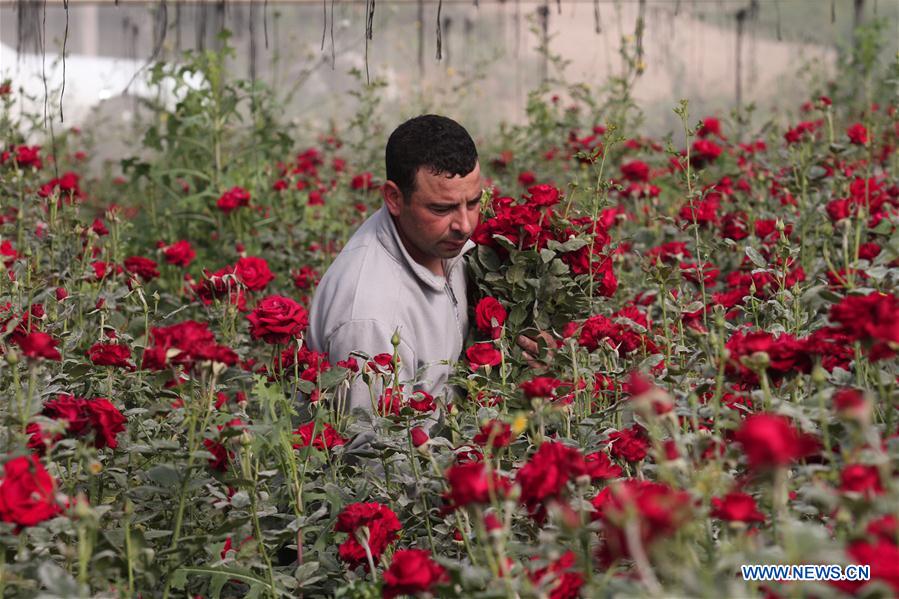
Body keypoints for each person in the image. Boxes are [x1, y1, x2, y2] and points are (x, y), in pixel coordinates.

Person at [307, 114, 549, 414]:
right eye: (442, 208)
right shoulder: (369, 320)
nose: (464, 225)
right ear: (394, 198)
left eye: (473, 202)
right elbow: (375, 452)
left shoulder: (441, 245)